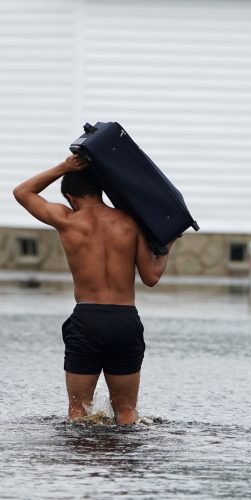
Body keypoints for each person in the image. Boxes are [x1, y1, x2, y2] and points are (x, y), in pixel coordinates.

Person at [13, 154, 174, 425]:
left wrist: (65, 167)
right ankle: (125, 463)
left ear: (71, 198)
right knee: (126, 412)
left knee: (79, 412)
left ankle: (81, 467)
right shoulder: (131, 222)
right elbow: (151, 276)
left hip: (87, 320)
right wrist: (167, 245)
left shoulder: (68, 220)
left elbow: (22, 192)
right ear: (100, 191)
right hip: (125, 320)